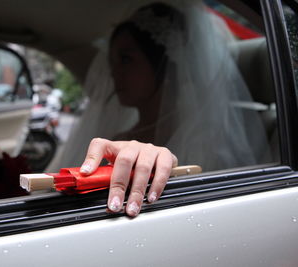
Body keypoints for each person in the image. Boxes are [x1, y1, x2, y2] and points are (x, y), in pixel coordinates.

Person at [50, 0, 270, 216]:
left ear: (166, 65)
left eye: (125, 59)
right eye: (112, 62)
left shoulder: (205, 142)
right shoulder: (114, 141)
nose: (114, 73)